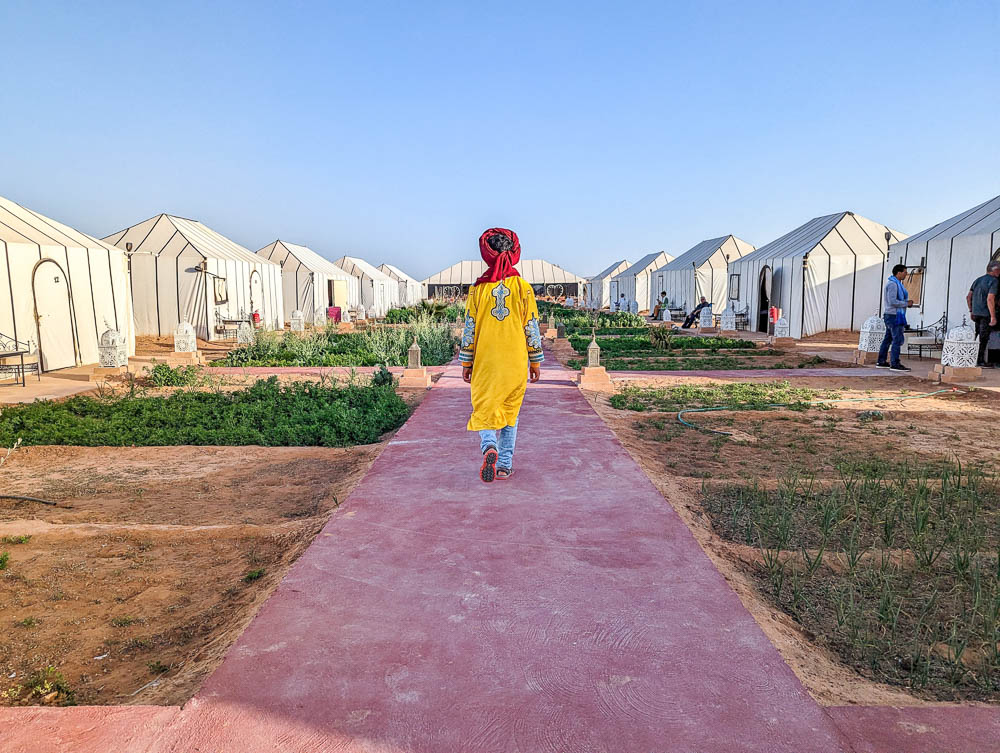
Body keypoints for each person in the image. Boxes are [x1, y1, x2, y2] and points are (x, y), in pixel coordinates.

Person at [461, 228, 544, 483]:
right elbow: (531, 325)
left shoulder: (478, 290)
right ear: (513, 252)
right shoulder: (523, 288)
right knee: (511, 410)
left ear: (487, 254)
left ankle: (488, 446)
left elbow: (470, 326)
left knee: (484, 405)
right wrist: (535, 360)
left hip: (486, 359)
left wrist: (466, 361)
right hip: (515, 359)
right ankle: (505, 465)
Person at [877, 263, 917, 371]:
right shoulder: (893, 284)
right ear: (898, 273)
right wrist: (906, 303)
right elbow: (892, 301)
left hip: (892, 315)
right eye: (904, 272)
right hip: (894, 315)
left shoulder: (896, 283)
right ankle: (895, 363)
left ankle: (881, 361)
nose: (906, 274)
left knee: (888, 338)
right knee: (897, 340)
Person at [967, 259, 1000, 367]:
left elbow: (968, 297)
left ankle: (972, 358)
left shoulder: (977, 280)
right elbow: (990, 299)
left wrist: (971, 310)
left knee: (977, 336)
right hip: (986, 314)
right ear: (996, 270)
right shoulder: (994, 281)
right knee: (983, 338)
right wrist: (993, 316)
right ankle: (980, 361)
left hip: (976, 313)